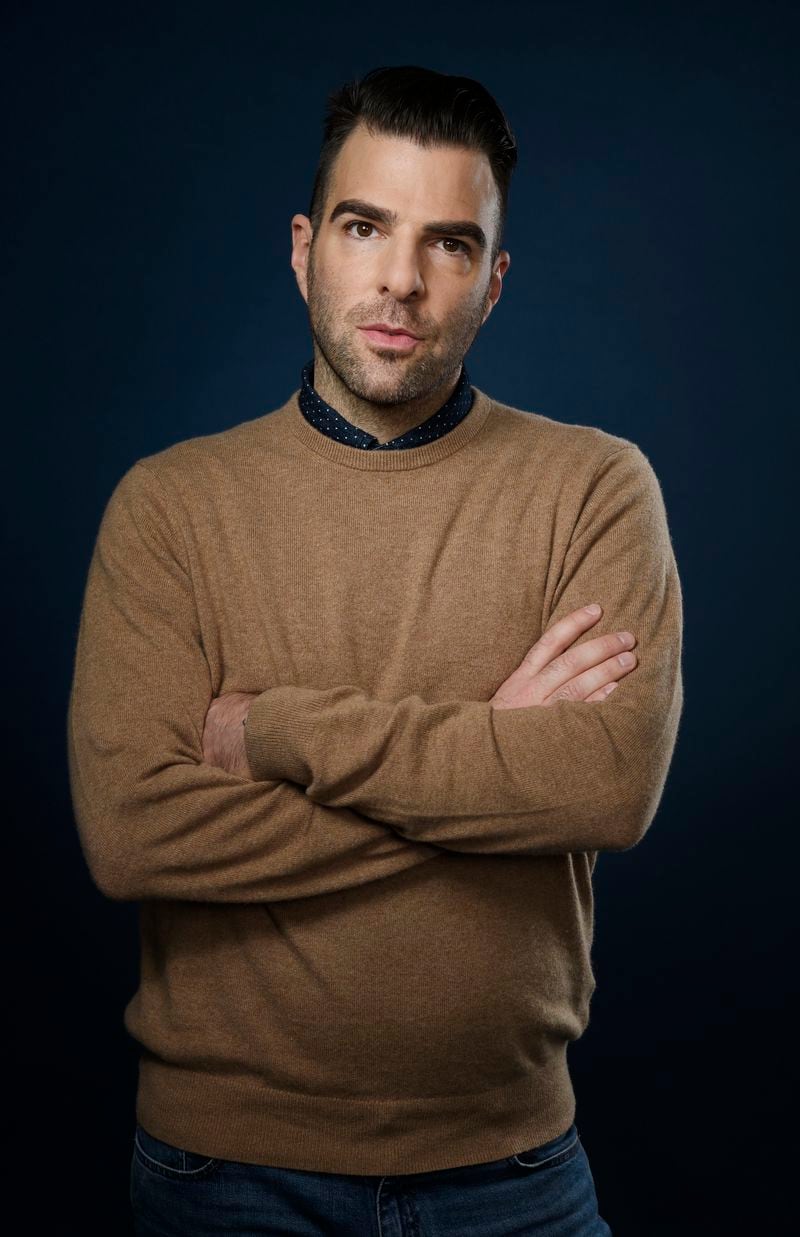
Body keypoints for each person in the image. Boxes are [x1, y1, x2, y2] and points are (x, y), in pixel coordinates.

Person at [67, 63, 683, 1236]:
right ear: (304, 249)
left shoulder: (594, 487)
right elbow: (131, 831)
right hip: (222, 1172)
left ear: (493, 283)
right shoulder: (169, 508)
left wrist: (276, 730)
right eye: (364, 227)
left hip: (512, 1171)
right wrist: (495, 761)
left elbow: (602, 785)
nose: (401, 280)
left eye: (449, 244)